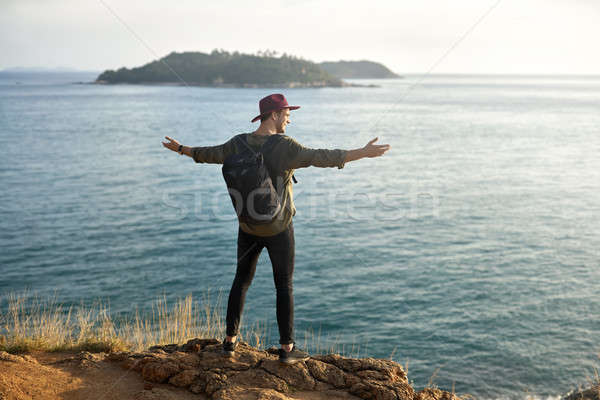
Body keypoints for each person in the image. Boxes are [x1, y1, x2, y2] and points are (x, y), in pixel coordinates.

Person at [162, 93, 390, 364]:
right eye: (287, 115)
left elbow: (209, 154)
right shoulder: (285, 146)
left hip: (248, 226)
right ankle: (287, 349)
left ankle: (229, 342)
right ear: (274, 115)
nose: (289, 120)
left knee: (241, 281)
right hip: (278, 227)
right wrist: (362, 153)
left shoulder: (237, 143)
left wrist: (181, 149)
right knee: (284, 286)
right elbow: (323, 157)